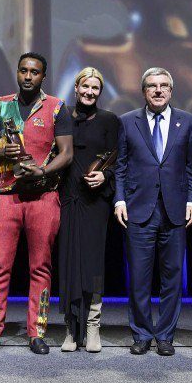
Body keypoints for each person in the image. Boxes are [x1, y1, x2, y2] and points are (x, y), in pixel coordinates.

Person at [0, 52, 73, 355]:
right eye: (23, 71)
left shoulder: (57, 107)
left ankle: (37, 332)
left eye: (34, 72)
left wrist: (44, 170)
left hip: (44, 196)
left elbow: (67, 154)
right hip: (7, 196)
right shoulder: (1, 104)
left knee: (40, 267)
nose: (28, 76)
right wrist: (5, 154)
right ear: (17, 73)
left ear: (43, 76)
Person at [114, 67, 192, 357]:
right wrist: (119, 200)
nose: (158, 90)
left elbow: (191, 168)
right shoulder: (127, 122)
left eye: (164, 86)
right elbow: (121, 167)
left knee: (172, 276)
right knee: (138, 277)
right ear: (144, 91)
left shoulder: (188, 122)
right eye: (152, 86)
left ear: (171, 91)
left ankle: (164, 335)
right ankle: (141, 334)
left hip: (175, 211)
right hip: (138, 210)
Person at [57, 67, 120, 353]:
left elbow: (121, 161)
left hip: (96, 202)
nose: (89, 92)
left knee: (93, 263)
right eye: (85, 87)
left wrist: (105, 177)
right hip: (68, 198)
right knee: (70, 261)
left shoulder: (110, 120)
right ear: (76, 87)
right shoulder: (62, 115)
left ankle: (93, 325)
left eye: (95, 88)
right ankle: (71, 328)